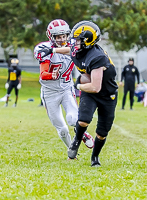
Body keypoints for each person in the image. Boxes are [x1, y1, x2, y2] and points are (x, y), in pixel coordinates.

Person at [38, 20, 118, 166]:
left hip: (101, 91)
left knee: (98, 130)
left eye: (77, 39)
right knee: (75, 123)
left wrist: (78, 85)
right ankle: (74, 145)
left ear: (87, 41)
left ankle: (94, 158)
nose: (70, 41)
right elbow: (67, 52)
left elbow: (95, 87)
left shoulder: (97, 57)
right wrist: (52, 50)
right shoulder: (78, 49)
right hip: (53, 92)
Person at [34, 19, 94, 156]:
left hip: (66, 88)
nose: (62, 39)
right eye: (58, 37)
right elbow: (43, 74)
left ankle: (82, 134)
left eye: (64, 36)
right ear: (51, 36)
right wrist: (51, 75)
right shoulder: (44, 49)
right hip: (49, 92)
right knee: (62, 129)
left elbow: (79, 50)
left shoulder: (73, 46)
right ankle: (72, 150)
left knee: (73, 119)